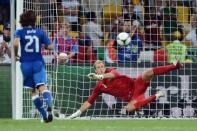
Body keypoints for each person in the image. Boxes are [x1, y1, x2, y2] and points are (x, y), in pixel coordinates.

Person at [68, 59, 182, 119]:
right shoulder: (99, 87)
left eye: (102, 66)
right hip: (133, 97)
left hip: (136, 85)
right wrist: (76, 113)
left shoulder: (111, 70)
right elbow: (89, 102)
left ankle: (175, 65)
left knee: (148, 73)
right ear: (95, 70)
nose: (101, 69)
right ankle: (156, 96)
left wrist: (100, 76)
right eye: (98, 68)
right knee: (129, 109)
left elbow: (113, 75)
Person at [13, 10, 54, 123]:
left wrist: (16, 54)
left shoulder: (19, 32)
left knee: (33, 91)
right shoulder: (40, 32)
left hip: (25, 64)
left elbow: (15, 43)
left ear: (22, 21)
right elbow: (50, 46)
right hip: (37, 63)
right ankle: (49, 106)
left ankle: (44, 115)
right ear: (34, 20)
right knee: (42, 87)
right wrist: (46, 47)